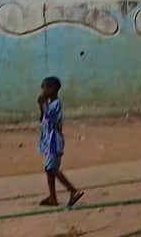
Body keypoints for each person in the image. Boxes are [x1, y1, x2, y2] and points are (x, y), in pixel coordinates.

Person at [38, 76, 84, 207]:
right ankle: (53, 197)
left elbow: (49, 115)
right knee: (48, 169)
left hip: (54, 140)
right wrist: (41, 105)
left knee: (52, 168)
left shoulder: (56, 104)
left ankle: (73, 190)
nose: (42, 90)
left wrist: (44, 104)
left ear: (51, 89)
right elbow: (42, 118)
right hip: (48, 141)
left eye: (44, 87)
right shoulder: (49, 103)